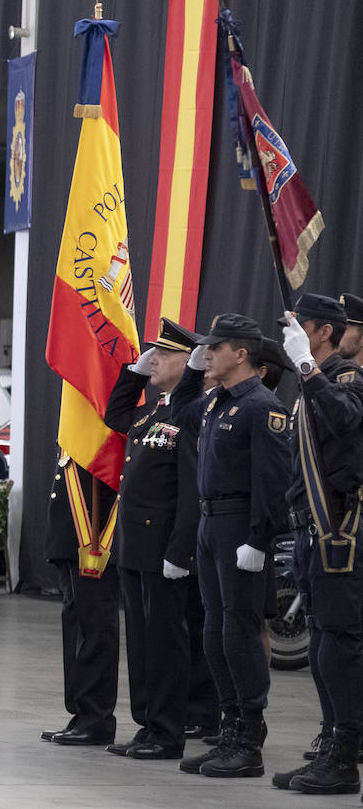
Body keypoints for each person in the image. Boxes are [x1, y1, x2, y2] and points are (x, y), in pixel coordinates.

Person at [172, 313, 290, 778]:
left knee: (239, 633)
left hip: (240, 526)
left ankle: (249, 738)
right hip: (210, 524)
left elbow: (273, 480)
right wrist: (189, 371)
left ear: (241, 354)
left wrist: (259, 539)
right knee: (215, 632)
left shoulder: (262, 406)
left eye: (215, 348)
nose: (208, 354)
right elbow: (180, 414)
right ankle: (229, 729)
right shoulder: (216, 401)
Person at [271, 295, 363, 793]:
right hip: (309, 526)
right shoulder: (313, 385)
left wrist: (307, 367)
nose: (294, 336)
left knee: (338, 644)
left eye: (301, 327)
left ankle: (345, 756)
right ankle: (330, 741)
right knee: (323, 641)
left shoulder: (345, 379)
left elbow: (344, 420)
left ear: (323, 331)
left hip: (339, 527)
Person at [102, 318, 200, 761]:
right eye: (152, 352)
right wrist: (135, 373)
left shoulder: (191, 410)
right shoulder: (153, 409)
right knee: (141, 641)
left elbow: (191, 487)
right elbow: (115, 414)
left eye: (164, 354)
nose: (155, 358)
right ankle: (146, 724)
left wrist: (180, 550)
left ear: (190, 361)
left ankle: (167, 730)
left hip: (164, 548)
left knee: (165, 642)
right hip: (134, 546)